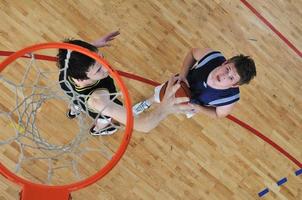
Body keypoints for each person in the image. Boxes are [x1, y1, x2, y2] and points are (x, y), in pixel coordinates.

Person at [57, 31, 192, 135]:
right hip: (96, 107)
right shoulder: (99, 100)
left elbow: (71, 52)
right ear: (82, 78)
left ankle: (74, 110)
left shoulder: (66, 69)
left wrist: (92, 47)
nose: (106, 67)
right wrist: (164, 109)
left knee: (75, 101)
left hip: (73, 92)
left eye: (102, 58)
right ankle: (98, 130)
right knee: (104, 120)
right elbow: (142, 126)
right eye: (99, 69)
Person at [133, 48, 256, 118]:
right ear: (224, 63)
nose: (224, 76)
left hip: (190, 105)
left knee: (167, 112)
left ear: (235, 85)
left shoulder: (230, 98)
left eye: (231, 78)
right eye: (227, 69)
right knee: (158, 96)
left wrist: (199, 108)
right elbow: (192, 53)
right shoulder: (212, 57)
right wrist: (182, 75)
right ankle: (146, 103)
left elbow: (218, 114)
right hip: (179, 84)